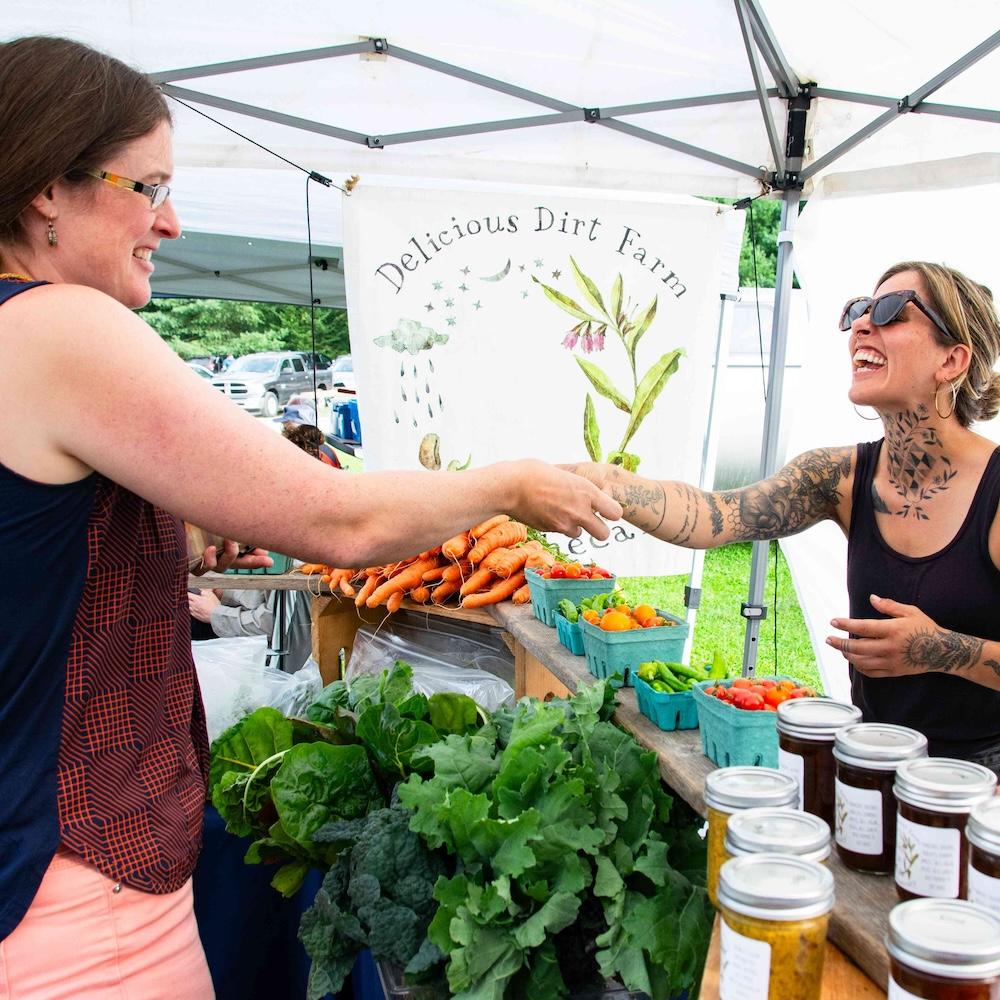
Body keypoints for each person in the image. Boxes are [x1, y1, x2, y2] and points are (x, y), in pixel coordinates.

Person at [0, 35, 621, 997]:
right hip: (76, 895)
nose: (169, 224)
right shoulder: (54, 324)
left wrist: (169, 536)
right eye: (148, 188)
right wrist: (511, 485)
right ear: (48, 187)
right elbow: (341, 524)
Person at [566, 261, 1000, 772]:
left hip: (981, 785)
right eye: (859, 310)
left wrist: (943, 649)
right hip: (869, 762)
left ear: (952, 360)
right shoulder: (837, 475)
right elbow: (715, 515)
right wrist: (600, 481)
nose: (862, 324)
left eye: (890, 312)